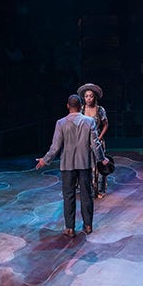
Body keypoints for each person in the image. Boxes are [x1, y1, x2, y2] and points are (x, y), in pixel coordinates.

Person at [36, 94, 109, 237]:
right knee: (86, 195)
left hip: (67, 165)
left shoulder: (61, 123)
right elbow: (95, 144)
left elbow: (55, 147)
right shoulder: (89, 122)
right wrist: (102, 158)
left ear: (68, 106)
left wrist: (45, 160)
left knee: (68, 196)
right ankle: (88, 226)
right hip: (84, 164)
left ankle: (69, 228)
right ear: (81, 106)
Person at [77, 82, 110, 198]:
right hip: (85, 141)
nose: (88, 98)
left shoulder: (100, 110)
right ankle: (88, 188)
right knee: (87, 164)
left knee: (100, 164)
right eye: (86, 96)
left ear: (94, 97)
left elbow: (106, 124)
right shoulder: (81, 110)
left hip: (97, 140)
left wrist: (99, 138)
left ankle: (100, 190)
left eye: (90, 96)